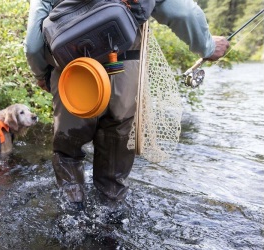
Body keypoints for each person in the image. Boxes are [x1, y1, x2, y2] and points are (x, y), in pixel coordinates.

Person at [24, 0, 229, 210]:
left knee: (68, 151)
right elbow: (185, 14)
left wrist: (42, 74)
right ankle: (110, 215)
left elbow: (32, 45)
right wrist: (208, 47)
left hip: (74, 74)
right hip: (124, 70)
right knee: (116, 151)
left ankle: (73, 211)